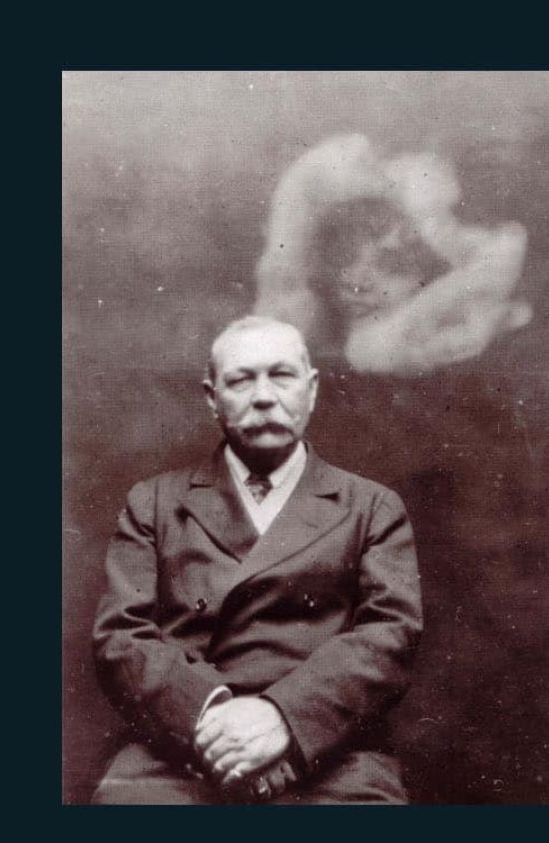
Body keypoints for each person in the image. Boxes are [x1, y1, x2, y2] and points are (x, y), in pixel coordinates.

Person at [90, 315, 422, 804]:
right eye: (241, 380)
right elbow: (120, 637)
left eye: (281, 375)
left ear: (311, 389)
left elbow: (389, 637)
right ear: (212, 397)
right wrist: (212, 718)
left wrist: (282, 718)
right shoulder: (153, 503)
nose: (264, 396)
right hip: (186, 743)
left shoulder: (372, 506)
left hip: (326, 747)